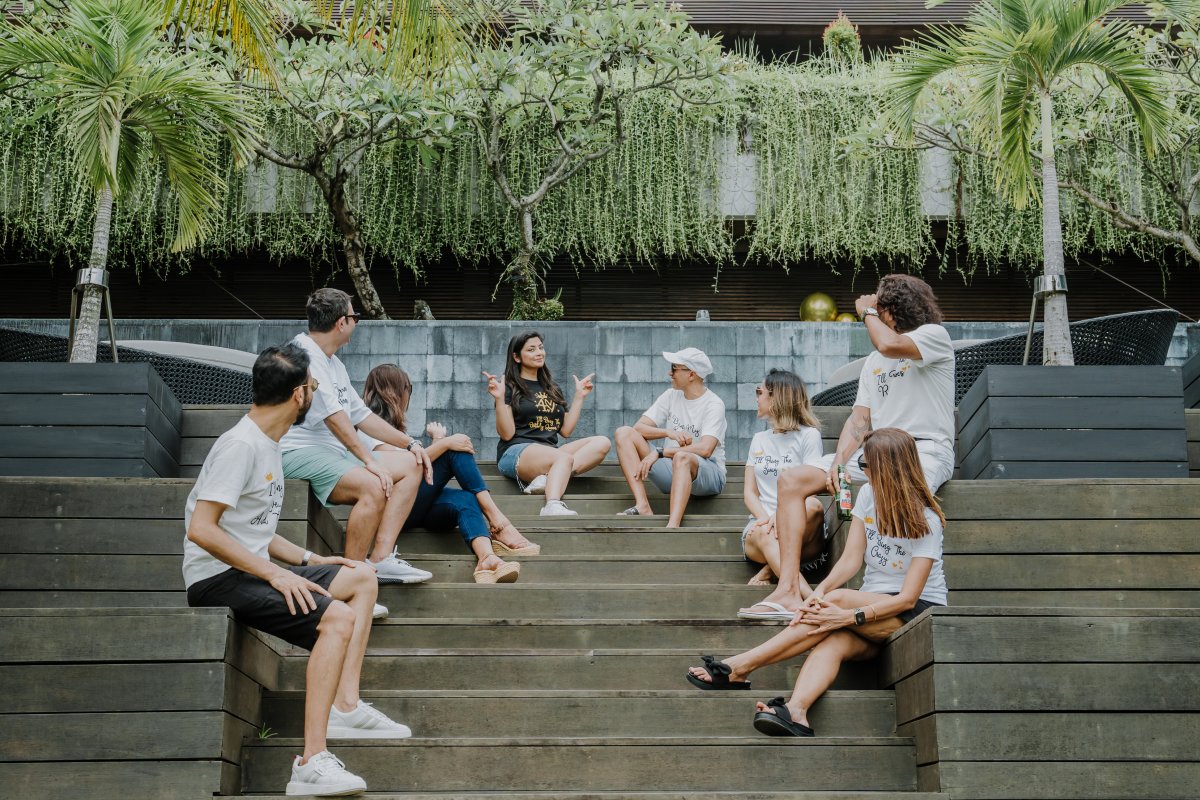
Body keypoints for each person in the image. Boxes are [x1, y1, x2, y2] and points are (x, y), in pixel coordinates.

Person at [184, 344, 410, 797]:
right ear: (298, 395)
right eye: (313, 387)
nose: (315, 394)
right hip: (215, 578)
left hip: (248, 568)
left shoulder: (269, 443)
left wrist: (311, 560)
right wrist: (275, 575)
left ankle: (346, 705)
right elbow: (202, 530)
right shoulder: (241, 446)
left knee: (361, 577)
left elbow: (253, 529)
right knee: (337, 618)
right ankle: (310, 762)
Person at [686, 428, 948, 739]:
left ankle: (739, 667)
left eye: (866, 465)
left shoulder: (927, 519)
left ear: (888, 468)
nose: (862, 471)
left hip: (913, 612)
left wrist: (847, 615)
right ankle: (797, 711)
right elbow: (851, 559)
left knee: (836, 601)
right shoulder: (868, 495)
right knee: (831, 640)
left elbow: (907, 599)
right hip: (870, 606)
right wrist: (818, 594)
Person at [739, 274, 953, 620]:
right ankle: (789, 589)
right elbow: (859, 420)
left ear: (891, 309)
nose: (874, 315)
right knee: (791, 480)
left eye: (879, 308)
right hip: (875, 455)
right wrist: (839, 463)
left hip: (924, 453)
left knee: (902, 492)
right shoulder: (874, 362)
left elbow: (890, 345)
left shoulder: (933, 336)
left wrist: (866, 311)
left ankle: (897, 597)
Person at [281, 288, 435, 592]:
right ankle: (349, 581)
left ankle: (379, 559)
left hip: (332, 454)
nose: (356, 322)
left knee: (411, 463)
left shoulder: (333, 363)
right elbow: (334, 418)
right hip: (297, 451)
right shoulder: (304, 354)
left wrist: (411, 443)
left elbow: (361, 415)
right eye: (356, 317)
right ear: (342, 322)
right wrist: (368, 461)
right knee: (373, 484)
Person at [360, 363, 540, 584]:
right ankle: (499, 522)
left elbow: (417, 470)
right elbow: (398, 467)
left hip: (416, 506)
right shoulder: (368, 426)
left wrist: (439, 442)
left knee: (465, 498)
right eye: (407, 389)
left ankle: (487, 558)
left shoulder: (394, 432)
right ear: (395, 392)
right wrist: (445, 444)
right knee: (455, 449)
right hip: (391, 508)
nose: (408, 397)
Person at [485, 330, 611, 516]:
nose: (539, 352)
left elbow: (566, 431)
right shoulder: (509, 387)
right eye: (531, 349)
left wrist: (579, 396)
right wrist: (499, 399)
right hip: (516, 451)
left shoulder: (552, 388)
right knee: (563, 458)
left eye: (541, 348)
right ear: (517, 357)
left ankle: (547, 477)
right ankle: (552, 504)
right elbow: (507, 434)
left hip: (550, 453)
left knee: (602, 442)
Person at [613, 348, 728, 528]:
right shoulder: (671, 395)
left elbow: (705, 449)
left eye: (674, 368)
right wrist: (668, 432)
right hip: (673, 471)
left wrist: (661, 452)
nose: (669, 373)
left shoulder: (714, 404)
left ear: (691, 374)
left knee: (682, 457)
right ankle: (642, 505)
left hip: (709, 475)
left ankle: (672, 527)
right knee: (623, 433)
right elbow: (638, 428)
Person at [742, 369, 827, 587]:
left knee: (814, 506)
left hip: (800, 526)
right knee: (765, 533)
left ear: (776, 396)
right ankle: (808, 597)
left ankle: (770, 570)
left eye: (760, 392)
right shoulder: (759, 439)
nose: (757, 397)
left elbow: (811, 491)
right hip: (761, 527)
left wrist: (780, 517)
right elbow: (750, 493)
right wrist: (766, 519)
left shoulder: (809, 436)